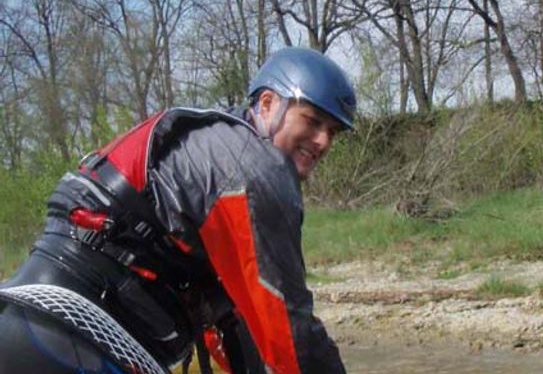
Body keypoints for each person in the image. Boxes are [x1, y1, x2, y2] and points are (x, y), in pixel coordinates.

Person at [0, 46, 355, 374]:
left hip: (32, 321)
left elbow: (241, 318)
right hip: (70, 340)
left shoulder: (216, 148)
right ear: (266, 103)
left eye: (332, 131)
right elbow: (288, 330)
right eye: (311, 121)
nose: (323, 141)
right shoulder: (255, 169)